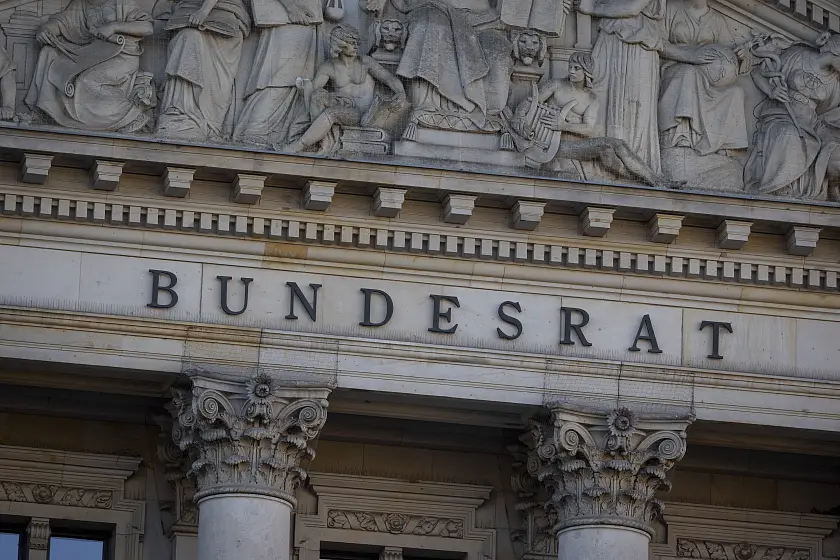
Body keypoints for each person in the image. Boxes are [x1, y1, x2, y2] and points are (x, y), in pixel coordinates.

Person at [513, 52, 682, 188]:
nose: (571, 71)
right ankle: (656, 181)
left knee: (609, 154)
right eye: (570, 67)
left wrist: (563, 125)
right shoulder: (555, 85)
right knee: (615, 144)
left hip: (574, 145)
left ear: (586, 71)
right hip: (551, 144)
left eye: (576, 68)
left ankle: (644, 180)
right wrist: (519, 118)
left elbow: (589, 128)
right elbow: (530, 102)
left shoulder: (591, 98)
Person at [25, 0, 154, 132]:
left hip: (122, 55)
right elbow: (62, 22)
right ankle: (46, 111)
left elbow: (147, 27)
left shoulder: (123, 2)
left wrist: (114, 26)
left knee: (86, 80)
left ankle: (131, 116)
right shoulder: (81, 3)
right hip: (91, 53)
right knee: (49, 52)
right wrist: (45, 29)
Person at [744, 34, 840, 201]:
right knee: (789, 134)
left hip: (812, 123)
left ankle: (830, 191)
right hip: (782, 114)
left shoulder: (835, 83)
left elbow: (826, 112)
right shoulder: (797, 56)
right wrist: (771, 91)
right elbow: (757, 73)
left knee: (835, 152)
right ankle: (778, 187)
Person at [283, 24, 406, 153]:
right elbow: (314, 90)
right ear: (340, 44)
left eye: (357, 42)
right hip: (345, 107)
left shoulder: (365, 62)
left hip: (365, 114)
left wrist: (401, 93)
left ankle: (299, 145)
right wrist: (304, 86)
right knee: (318, 95)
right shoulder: (329, 66)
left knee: (332, 113)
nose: (356, 46)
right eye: (351, 43)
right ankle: (318, 141)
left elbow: (389, 78)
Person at [577, 0, 666, 173]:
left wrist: (592, 8)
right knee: (600, 95)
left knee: (632, 104)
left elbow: (632, 8)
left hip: (638, 42)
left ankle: (634, 167)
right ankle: (603, 161)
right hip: (610, 37)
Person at [659, 0, 749, 156]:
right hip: (676, 68)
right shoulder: (671, 9)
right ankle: (681, 135)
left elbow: (730, 51)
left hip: (708, 81)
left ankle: (724, 146)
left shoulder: (717, 20)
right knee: (688, 73)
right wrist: (690, 55)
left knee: (736, 92)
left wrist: (741, 56)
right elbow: (658, 43)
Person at [231, 0, 323, 146]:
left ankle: (278, 132)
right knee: (279, 77)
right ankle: (256, 128)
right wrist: (291, 8)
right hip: (288, 19)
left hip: (304, 21)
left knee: (296, 80)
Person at [155, 0, 251, 140]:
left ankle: (203, 121)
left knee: (191, 40)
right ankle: (180, 111)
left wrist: (204, 11)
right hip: (188, 15)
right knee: (188, 38)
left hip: (225, 17)